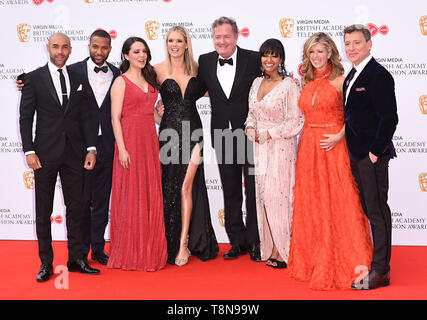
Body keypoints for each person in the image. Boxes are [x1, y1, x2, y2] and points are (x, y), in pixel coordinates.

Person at [16, 30, 121, 266]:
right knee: (49, 210)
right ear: (49, 48)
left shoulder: (104, 74)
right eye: (56, 47)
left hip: (88, 150)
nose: (60, 51)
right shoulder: (50, 75)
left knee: (85, 205)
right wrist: (29, 150)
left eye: (64, 47)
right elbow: (26, 117)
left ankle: (83, 257)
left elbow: (86, 115)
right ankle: (47, 263)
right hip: (52, 152)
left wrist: (92, 147)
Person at [287, 32, 373, 290]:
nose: (316, 57)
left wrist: (339, 136)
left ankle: (351, 260)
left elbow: (357, 116)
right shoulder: (306, 80)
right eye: (312, 52)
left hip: (334, 148)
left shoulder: (340, 81)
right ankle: (314, 258)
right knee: (313, 204)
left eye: (320, 52)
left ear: (330, 54)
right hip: (309, 148)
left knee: (339, 203)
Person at [196, 16, 261, 261]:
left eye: (226, 36)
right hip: (222, 133)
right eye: (217, 37)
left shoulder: (254, 59)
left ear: (236, 36)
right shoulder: (204, 61)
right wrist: (167, 102)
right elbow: (194, 89)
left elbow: (272, 83)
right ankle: (237, 241)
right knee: (231, 190)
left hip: (251, 133)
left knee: (254, 191)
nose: (221, 41)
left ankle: (255, 241)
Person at [154, 26, 218, 266]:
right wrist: (155, 113)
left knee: (186, 186)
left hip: (194, 134)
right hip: (168, 136)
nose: (175, 45)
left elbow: (222, 92)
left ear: (186, 43)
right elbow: (139, 96)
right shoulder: (157, 70)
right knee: (170, 188)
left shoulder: (198, 70)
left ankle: (183, 244)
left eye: (179, 40)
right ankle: (169, 241)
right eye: (171, 40)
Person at [343, 25, 398, 290]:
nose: (351, 48)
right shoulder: (350, 76)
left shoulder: (379, 75)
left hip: (372, 156)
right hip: (355, 155)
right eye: (348, 44)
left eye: (356, 43)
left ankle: (380, 271)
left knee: (377, 212)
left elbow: (390, 119)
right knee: (370, 210)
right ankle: (379, 264)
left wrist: (375, 153)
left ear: (369, 44)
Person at [108, 37, 167, 271]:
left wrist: (159, 115)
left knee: (149, 193)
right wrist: (122, 148)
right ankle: (130, 251)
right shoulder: (120, 82)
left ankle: (148, 250)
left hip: (149, 141)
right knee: (131, 194)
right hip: (129, 141)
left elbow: (150, 116)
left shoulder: (151, 81)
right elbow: (115, 117)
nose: (141, 55)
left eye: (144, 51)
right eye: (136, 51)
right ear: (126, 55)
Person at [245, 39, 304, 269]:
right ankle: (268, 247)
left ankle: (283, 249)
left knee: (277, 198)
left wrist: (270, 133)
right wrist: (250, 127)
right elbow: (251, 114)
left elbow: (295, 121)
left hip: (280, 147)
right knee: (262, 198)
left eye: (274, 56)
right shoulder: (256, 82)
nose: (269, 60)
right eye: (265, 55)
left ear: (281, 59)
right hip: (259, 148)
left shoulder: (289, 84)